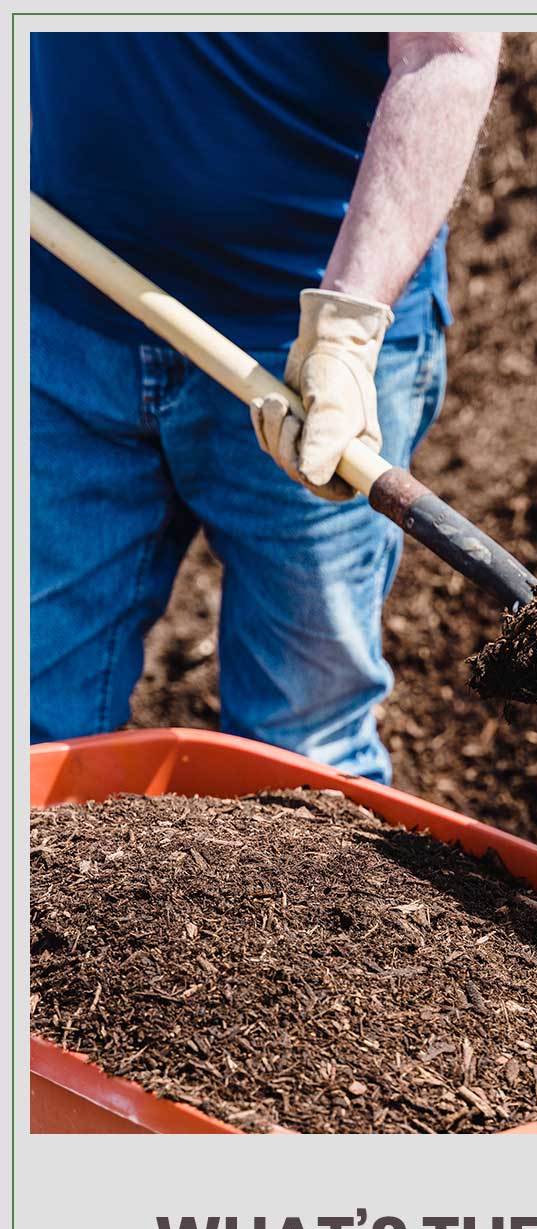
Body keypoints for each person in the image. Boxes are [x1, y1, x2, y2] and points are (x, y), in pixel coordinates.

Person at [30, 30, 501, 782]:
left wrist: (345, 330)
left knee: (303, 755)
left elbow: (444, 51)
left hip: (315, 354)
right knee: (30, 720)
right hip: (64, 315)